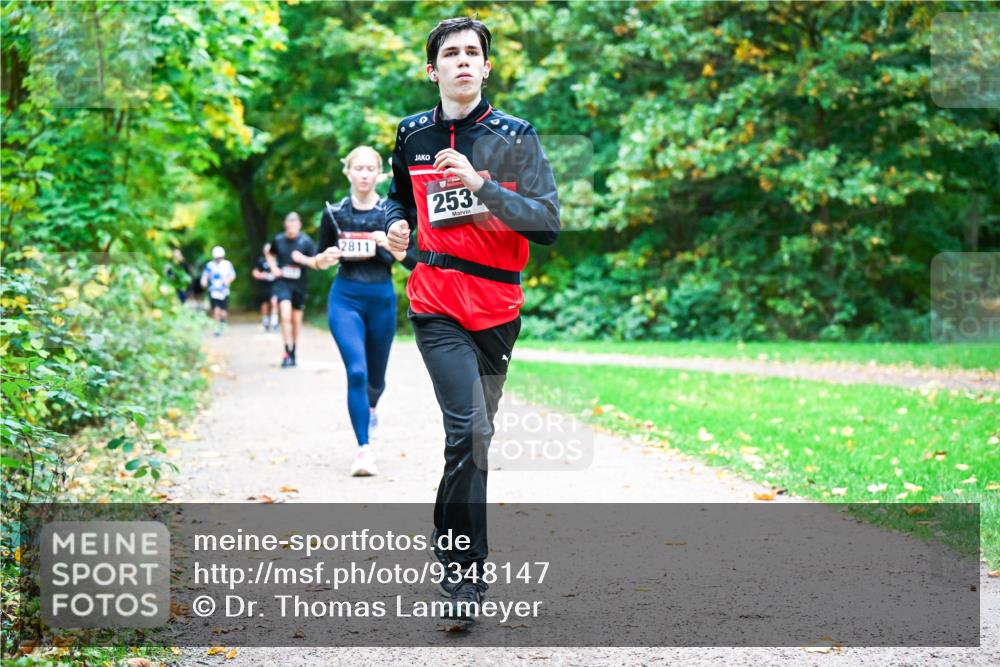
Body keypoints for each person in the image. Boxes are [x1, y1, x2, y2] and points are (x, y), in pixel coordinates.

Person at [383, 17, 560, 624]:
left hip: (498, 308)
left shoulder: (516, 136)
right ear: (432, 70)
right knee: (473, 433)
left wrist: (482, 185)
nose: (462, 61)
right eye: (450, 54)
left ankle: (444, 529)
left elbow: (548, 225)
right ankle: (466, 577)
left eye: (472, 53)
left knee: (469, 444)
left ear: (486, 67)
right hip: (435, 301)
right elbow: (399, 198)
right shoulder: (411, 135)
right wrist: (394, 224)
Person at [314, 146, 417, 477]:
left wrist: (390, 244)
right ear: (348, 172)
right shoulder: (333, 213)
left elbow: (413, 261)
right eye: (357, 168)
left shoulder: (392, 213)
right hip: (345, 297)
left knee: (375, 380)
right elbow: (318, 258)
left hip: (381, 298)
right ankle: (363, 450)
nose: (363, 174)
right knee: (356, 372)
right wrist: (324, 259)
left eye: (370, 168)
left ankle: (371, 407)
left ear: (379, 174)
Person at [267, 212, 323, 367]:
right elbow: (270, 254)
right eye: (289, 224)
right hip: (283, 283)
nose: (292, 227)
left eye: (295, 224)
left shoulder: (305, 241)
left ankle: (293, 351)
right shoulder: (278, 240)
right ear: (286, 225)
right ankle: (286, 350)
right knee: (285, 315)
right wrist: (273, 268)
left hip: (300, 285)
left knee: (296, 320)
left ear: (299, 225)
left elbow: (316, 262)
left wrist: (302, 259)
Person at [200, 246, 236, 336]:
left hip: (224, 291)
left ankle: (222, 322)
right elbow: (205, 275)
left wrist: (227, 281)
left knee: (223, 312)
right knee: (216, 310)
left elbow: (232, 275)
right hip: (213, 291)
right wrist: (204, 281)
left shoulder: (227, 264)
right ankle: (216, 328)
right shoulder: (210, 265)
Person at [251, 243, 279, 332]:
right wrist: (263, 275)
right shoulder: (261, 260)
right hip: (264, 285)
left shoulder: (277, 259)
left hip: (275, 285)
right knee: (265, 304)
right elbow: (255, 272)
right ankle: (265, 322)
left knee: (274, 302)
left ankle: (274, 323)